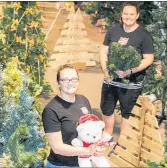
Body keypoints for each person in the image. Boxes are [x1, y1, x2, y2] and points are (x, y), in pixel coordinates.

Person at [99, 2, 155, 145]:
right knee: (107, 108)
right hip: (110, 79)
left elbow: (148, 59)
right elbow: (103, 51)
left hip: (131, 81)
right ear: (121, 15)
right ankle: (107, 135)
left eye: (131, 14)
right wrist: (106, 70)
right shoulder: (113, 31)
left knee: (127, 112)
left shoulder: (144, 35)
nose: (128, 17)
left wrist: (130, 71)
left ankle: (122, 143)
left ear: (137, 16)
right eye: (125, 13)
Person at [42, 64, 106, 167]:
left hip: (85, 161)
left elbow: (92, 129)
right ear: (58, 83)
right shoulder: (51, 110)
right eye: (65, 80)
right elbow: (57, 148)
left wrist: (99, 146)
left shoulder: (83, 100)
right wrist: (88, 150)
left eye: (74, 79)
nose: (70, 83)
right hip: (62, 164)